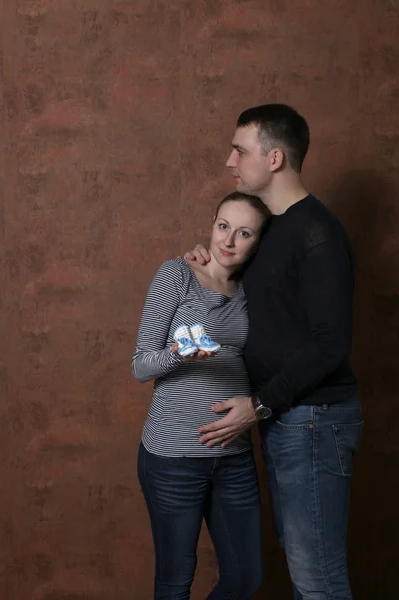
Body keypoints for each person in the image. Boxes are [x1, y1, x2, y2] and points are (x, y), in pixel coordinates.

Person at [186, 104, 363, 600]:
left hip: (314, 419)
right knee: (301, 564)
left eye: (240, 150)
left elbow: (332, 345)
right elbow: (251, 311)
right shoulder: (267, 228)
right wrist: (204, 272)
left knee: (318, 578)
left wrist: (259, 405)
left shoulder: (317, 234)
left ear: (276, 158)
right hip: (287, 419)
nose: (230, 161)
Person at [132, 191, 269, 600]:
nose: (228, 241)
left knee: (245, 578)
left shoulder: (252, 292)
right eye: (223, 226)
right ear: (211, 226)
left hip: (233, 456)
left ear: (258, 242)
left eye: (244, 233)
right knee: (176, 581)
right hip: (173, 458)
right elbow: (140, 365)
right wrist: (180, 352)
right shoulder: (177, 274)